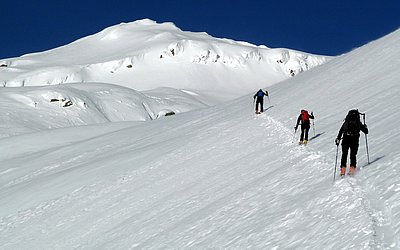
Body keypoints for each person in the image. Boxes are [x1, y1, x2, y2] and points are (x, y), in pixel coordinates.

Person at [335, 109, 368, 176]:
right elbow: (366, 132)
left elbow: (341, 130)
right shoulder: (358, 122)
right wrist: (365, 127)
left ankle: (343, 170)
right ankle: (352, 168)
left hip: (346, 138)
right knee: (353, 154)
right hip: (354, 139)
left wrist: (338, 139)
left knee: (344, 154)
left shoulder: (346, 121)